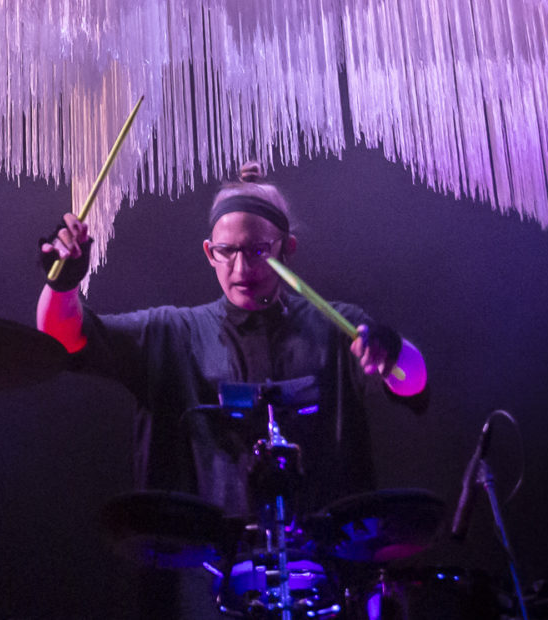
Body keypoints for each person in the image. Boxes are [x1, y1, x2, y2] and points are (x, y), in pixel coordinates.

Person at [34, 163, 430, 617]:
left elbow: (413, 384)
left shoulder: (333, 325)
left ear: (289, 248)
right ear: (208, 252)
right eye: (227, 252)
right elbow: (63, 339)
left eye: (259, 251)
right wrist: (63, 281)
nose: (242, 268)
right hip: (207, 578)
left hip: (328, 571)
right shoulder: (175, 332)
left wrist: (393, 349)